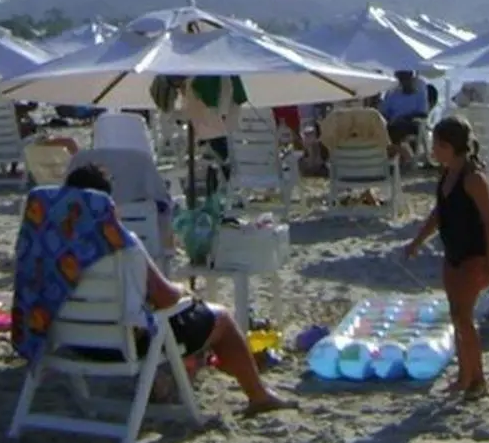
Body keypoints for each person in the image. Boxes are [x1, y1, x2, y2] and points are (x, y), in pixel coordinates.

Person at [18, 164, 291, 415]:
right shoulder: (121, 245)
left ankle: (168, 379)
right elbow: (166, 299)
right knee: (219, 318)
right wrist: (186, 293)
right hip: (122, 345)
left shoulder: (43, 247)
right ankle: (258, 395)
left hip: (71, 341)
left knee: (176, 324)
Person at [402, 116, 489, 400]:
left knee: (463, 317)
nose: (433, 151)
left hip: (473, 256)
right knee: (456, 317)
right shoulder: (447, 174)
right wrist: (417, 241)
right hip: (453, 254)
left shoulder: (473, 178)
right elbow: (440, 213)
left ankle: (477, 379)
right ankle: (464, 376)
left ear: (449, 146)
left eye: (436, 145)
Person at [381, 69, 431, 164]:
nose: (405, 82)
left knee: (396, 127)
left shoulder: (419, 89)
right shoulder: (393, 92)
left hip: (413, 122)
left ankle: (396, 156)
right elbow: (385, 111)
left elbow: (423, 113)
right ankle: (397, 155)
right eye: (402, 79)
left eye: (407, 79)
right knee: (381, 126)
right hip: (393, 122)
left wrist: (404, 118)